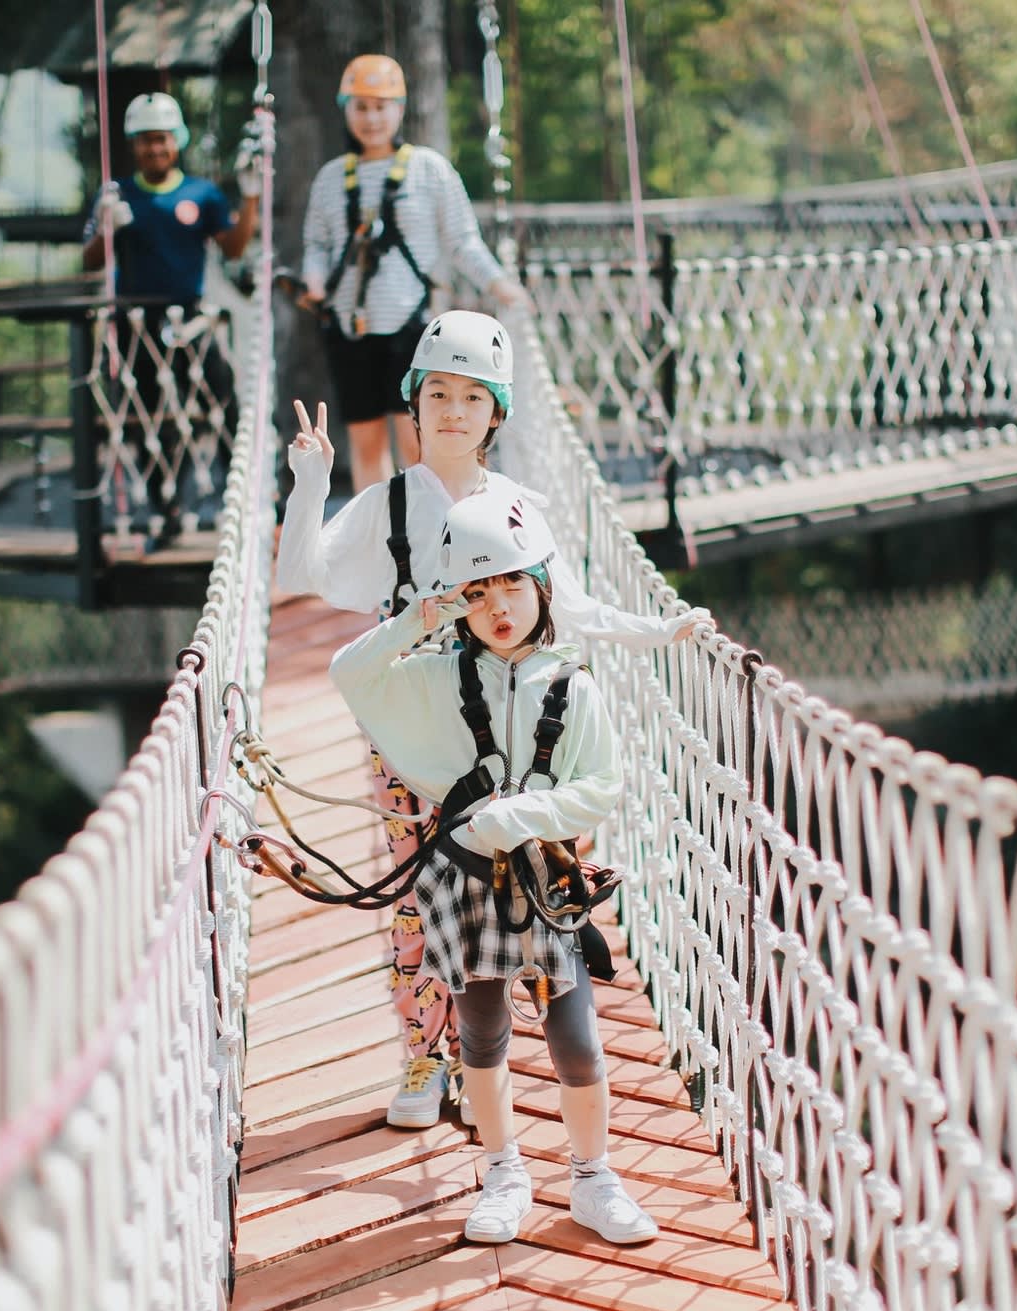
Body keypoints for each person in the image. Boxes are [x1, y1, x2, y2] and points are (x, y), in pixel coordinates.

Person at [275, 310, 706, 1131]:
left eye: (473, 396)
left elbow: (571, 607)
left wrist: (660, 630)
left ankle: (491, 1068)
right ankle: (425, 1058)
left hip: (509, 724)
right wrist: (309, 481)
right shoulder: (386, 505)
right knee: (415, 891)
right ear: (413, 402)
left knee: (511, 882)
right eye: (437, 392)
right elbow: (302, 573)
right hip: (415, 719)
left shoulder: (517, 505)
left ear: (496, 412)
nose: (453, 410)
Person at [327, 489, 661, 1246]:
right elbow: (350, 673)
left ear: (542, 586)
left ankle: (593, 1177)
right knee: (480, 1033)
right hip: (467, 880)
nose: (498, 606)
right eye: (477, 592)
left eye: (513, 583)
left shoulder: (572, 686)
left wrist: (524, 815)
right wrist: (419, 619)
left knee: (575, 1036)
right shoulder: (439, 677)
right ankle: (504, 1172)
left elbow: (601, 786)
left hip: (543, 881)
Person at [299, 53, 528, 494]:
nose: (371, 119)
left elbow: (462, 241)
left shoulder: (429, 170)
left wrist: (501, 286)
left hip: (411, 327)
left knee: (416, 440)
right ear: (346, 110)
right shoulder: (330, 179)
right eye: (361, 107)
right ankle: (381, 527)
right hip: (350, 328)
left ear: (399, 109)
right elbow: (317, 244)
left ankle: (427, 524)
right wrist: (313, 280)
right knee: (365, 443)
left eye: (381, 107)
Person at [82, 92, 261, 539]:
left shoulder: (202, 194)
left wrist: (251, 198)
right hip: (136, 324)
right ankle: (167, 508)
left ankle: (243, 496)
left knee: (224, 403)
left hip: (190, 319)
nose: (154, 148)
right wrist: (106, 227)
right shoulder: (116, 194)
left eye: (161, 138)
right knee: (152, 417)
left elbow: (234, 247)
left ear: (176, 140)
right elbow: (90, 261)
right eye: (145, 140)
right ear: (133, 144)